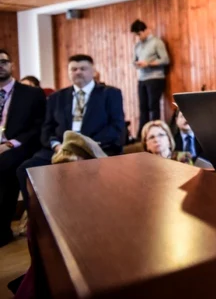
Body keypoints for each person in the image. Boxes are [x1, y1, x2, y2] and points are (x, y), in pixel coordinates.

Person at [16, 54, 125, 203]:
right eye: (73, 69)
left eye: (83, 68)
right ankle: (37, 221)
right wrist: (57, 146)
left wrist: (84, 146)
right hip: (60, 149)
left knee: (83, 171)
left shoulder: (110, 94)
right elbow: (46, 129)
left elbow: (116, 126)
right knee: (25, 170)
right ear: (68, 72)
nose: (78, 72)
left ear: (93, 71)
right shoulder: (56, 98)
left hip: (96, 148)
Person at [0, 50, 46, 247]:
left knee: (6, 164)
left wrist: (10, 144)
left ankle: (2, 229)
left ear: (12, 65)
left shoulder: (31, 93)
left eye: (3, 61)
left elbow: (38, 126)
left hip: (20, 145)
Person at [131, 20, 170, 134]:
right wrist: (136, 64)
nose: (138, 37)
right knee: (143, 107)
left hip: (155, 78)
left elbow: (165, 59)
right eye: (136, 35)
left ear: (146, 31)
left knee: (153, 106)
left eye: (139, 34)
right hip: (142, 78)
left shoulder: (157, 42)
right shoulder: (137, 45)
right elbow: (135, 60)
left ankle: (156, 132)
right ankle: (143, 133)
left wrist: (148, 63)